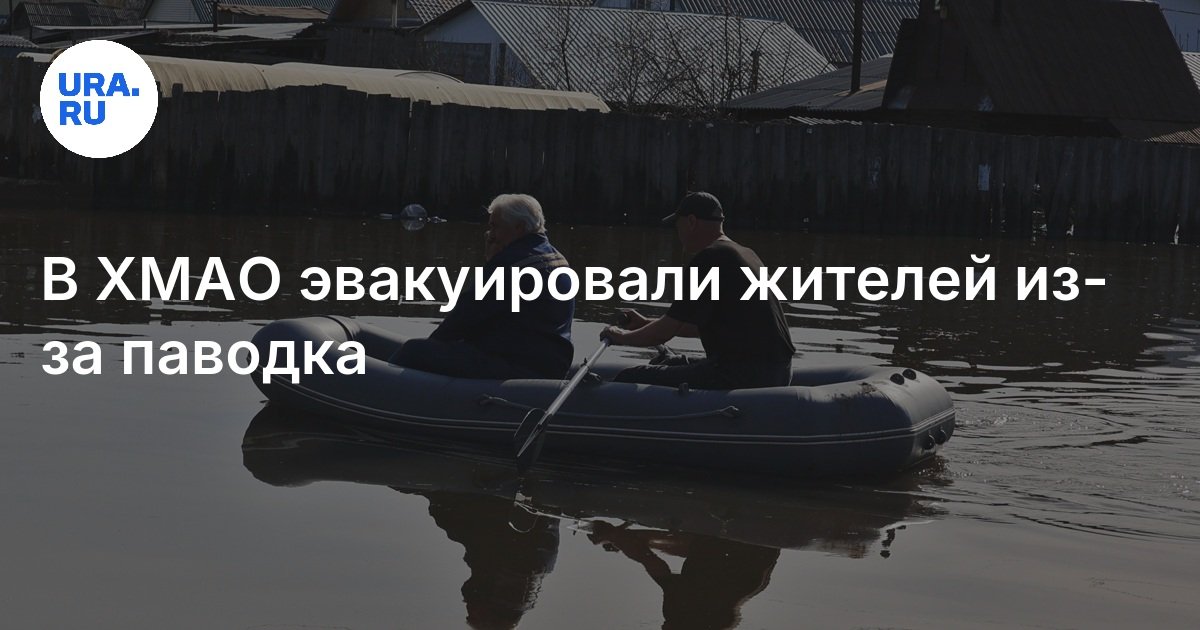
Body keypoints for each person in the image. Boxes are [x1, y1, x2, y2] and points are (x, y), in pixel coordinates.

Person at [602, 192, 794, 389]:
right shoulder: (745, 254)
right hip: (778, 370)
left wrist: (620, 337)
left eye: (678, 225)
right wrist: (645, 324)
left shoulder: (709, 259)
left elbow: (663, 333)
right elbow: (698, 326)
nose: (678, 234)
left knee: (629, 377)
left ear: (691, 222)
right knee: (670, 362)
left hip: (742, 374)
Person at [392, 194, 575, 380]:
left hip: (516, 364)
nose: (490, 235)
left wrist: (432, 346)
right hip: (551, 364)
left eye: (495, 227)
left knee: (413, 351)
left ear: (518, 227)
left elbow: (463, 317)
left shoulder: (509, 264)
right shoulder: (559, 260)